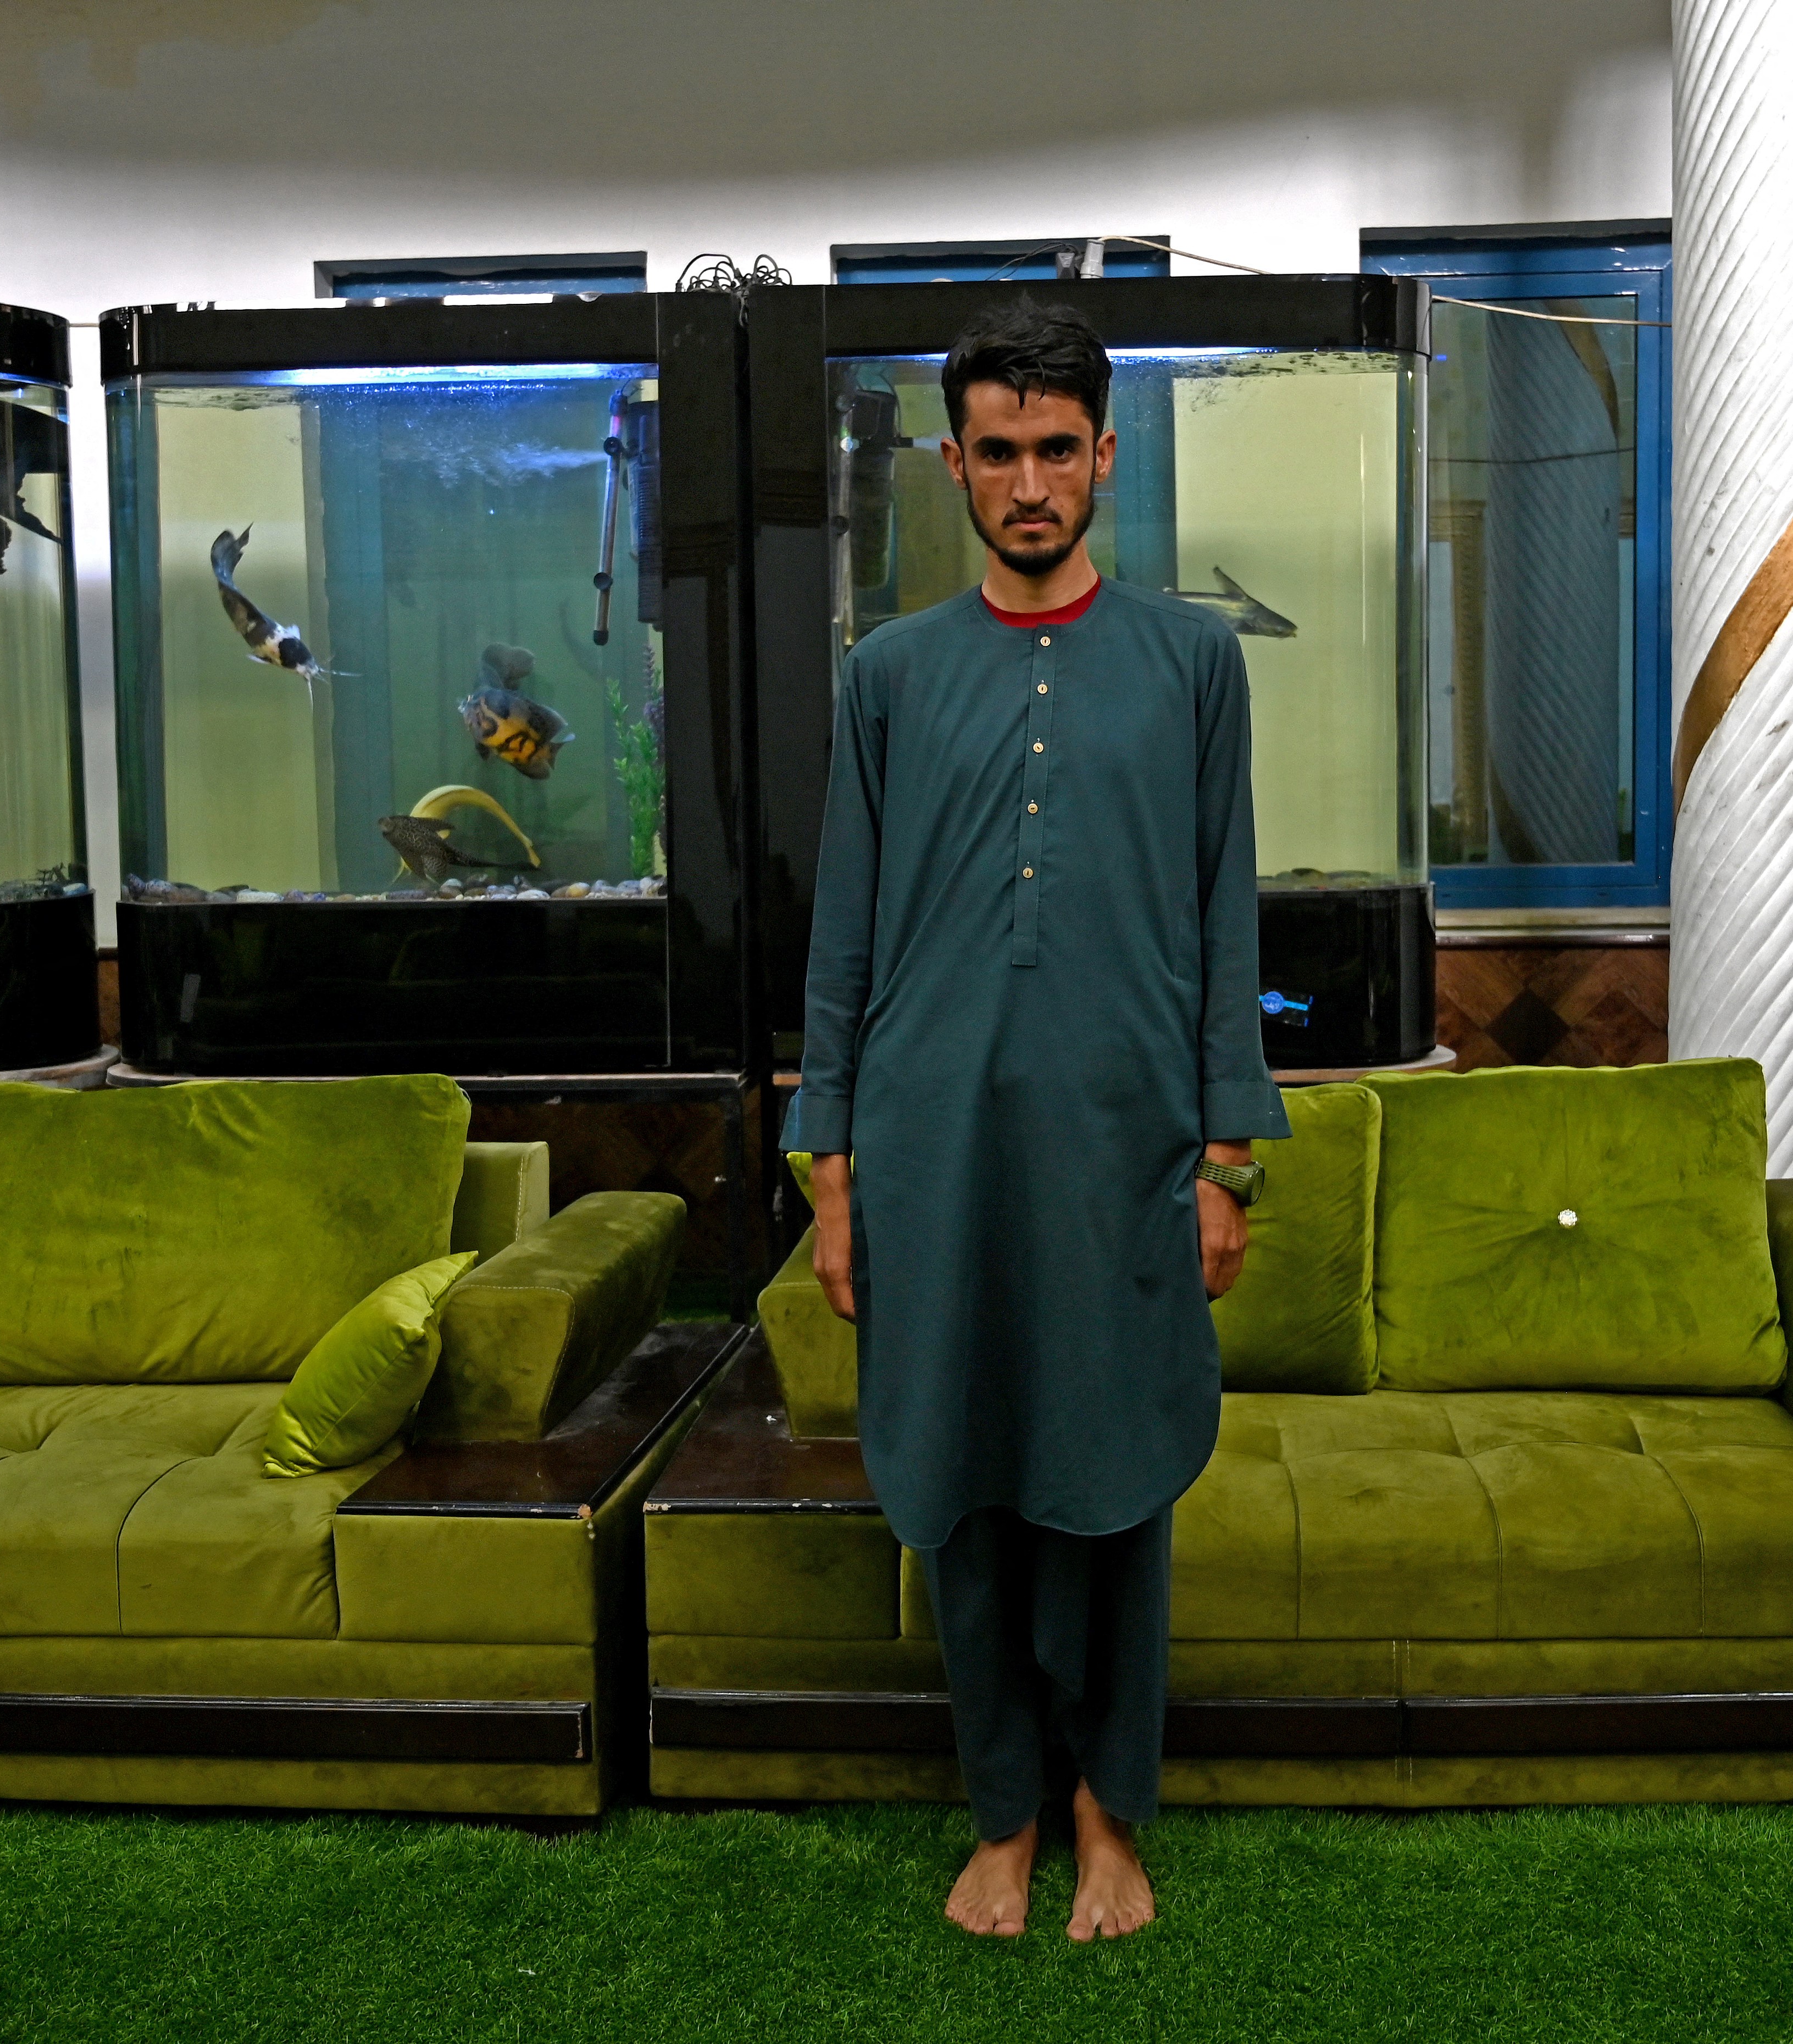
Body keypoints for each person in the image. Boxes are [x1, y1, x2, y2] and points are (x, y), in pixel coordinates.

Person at [789, 298, 1287, 1941]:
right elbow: (844, 938)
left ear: (1104, 457)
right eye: (996, 452)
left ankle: (1106, 1811)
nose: (1026, 484)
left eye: (1054, 451)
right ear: (952, 463)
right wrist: (833, 1171)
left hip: (1126, 1147)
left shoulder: (1192, 665)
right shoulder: (888, 675)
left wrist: (1225, 1156)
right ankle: (1001, 1811)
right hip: (929, 1154)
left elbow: (1224, 919)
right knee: (965, 1483)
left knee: (1114, 1483)